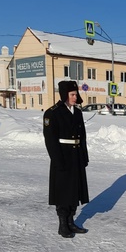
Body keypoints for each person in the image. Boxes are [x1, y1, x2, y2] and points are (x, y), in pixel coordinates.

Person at [43, 80, 89, 238]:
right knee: (63, 191)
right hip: (62, 156)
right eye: (72, 94)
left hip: (76, 156)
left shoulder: (77, 112)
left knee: (74, 190)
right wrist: (57, 160)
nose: (75, 97)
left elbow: (82, 137)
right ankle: (63, 225)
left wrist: (84, 156)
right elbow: (50, 140)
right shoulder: (52, 113)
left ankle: (71, 221)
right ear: (64, 95)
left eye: (76, 94)